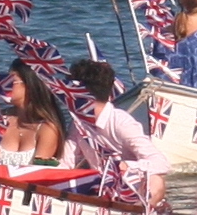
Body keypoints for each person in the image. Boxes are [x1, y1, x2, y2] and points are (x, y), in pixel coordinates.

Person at [71, 59, 169, 203]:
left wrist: (127, 166)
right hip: (99, 187)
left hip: (130, 187)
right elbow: (66, 162)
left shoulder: (122, 122)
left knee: (156, 181)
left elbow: (161, 163)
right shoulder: (77, 124)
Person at [0, 61, 69, 167]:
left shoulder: (47, 128)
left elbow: (38, 172)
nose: (3, 85)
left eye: (11, 81)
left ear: (29, 86)